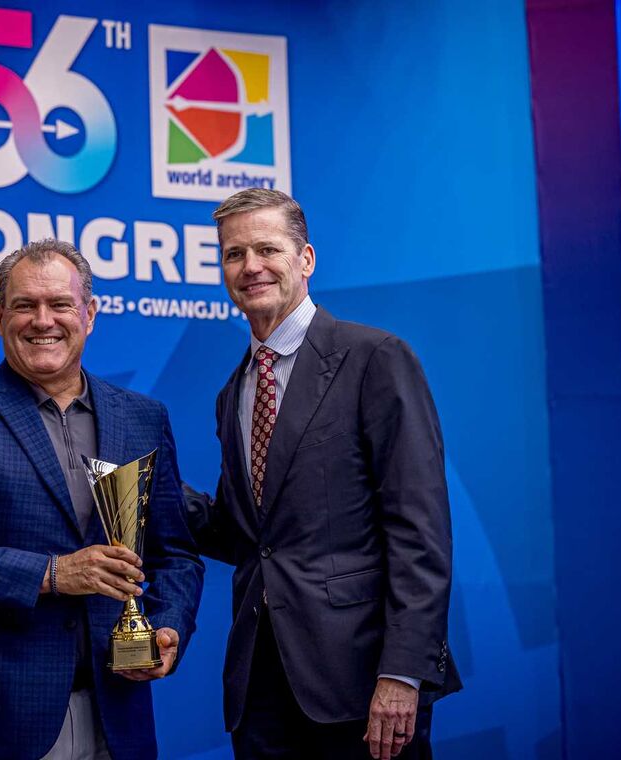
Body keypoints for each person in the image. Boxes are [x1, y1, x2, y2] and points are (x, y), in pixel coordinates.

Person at [0, 239, 203, 760]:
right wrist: (53, 574)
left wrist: (166, 628)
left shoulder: (143, 417)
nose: (43, 320)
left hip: (116, 715)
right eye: (24, 305)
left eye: (59, 304)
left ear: (90, 314)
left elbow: (174, 554)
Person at [185, 189, 460, 759]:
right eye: (234, 254)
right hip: (261, 691)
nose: (251, 266)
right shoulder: (232, 393)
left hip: (362, 683)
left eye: (267, 249)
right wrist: (153, 492)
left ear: (305, 258)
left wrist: (403, 672)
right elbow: (247, 538)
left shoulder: (375, 358)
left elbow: (419, 530)